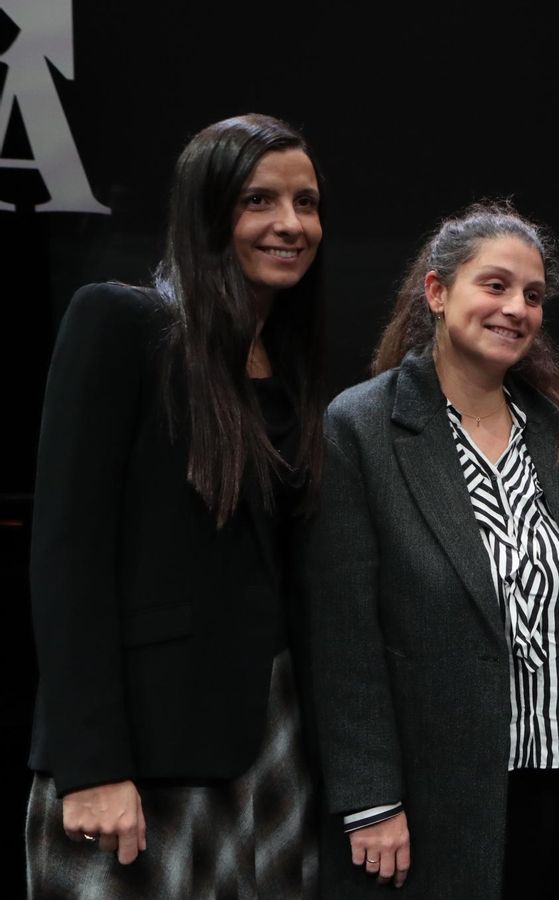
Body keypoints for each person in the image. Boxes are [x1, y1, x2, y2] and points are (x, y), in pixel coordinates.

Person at [26, 113, 326, 897]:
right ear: (206, 210)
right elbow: (67, 557)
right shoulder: (119, 323)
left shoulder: (291, 365)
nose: (291, 224)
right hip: (143, 761)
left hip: (274, 744)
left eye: (307, 202)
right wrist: (90, 766)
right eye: (260, 200)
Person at [303, 202, 559, 898]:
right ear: (437, 293)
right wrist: (371, 800)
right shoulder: (363, 427)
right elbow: (343, 636)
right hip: (431, 799)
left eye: (532, 295)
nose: (517, 309)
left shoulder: (558, 433)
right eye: (494, 286)